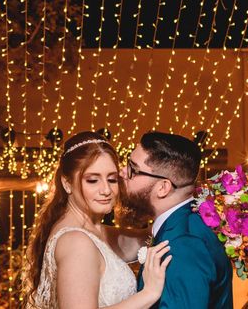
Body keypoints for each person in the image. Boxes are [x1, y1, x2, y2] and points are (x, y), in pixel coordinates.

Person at [24, 131, 172, 308]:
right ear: (67, 183)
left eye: (112, 179)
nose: (106, 190)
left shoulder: (93, 230)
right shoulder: (76, 242)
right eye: (93, 180)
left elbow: (145, 238)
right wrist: (149, 293)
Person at [121, 132, 233, 309]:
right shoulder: (186, 223)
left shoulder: (183, 246)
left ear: (163, 187)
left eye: (133, 170)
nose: (122, 172)